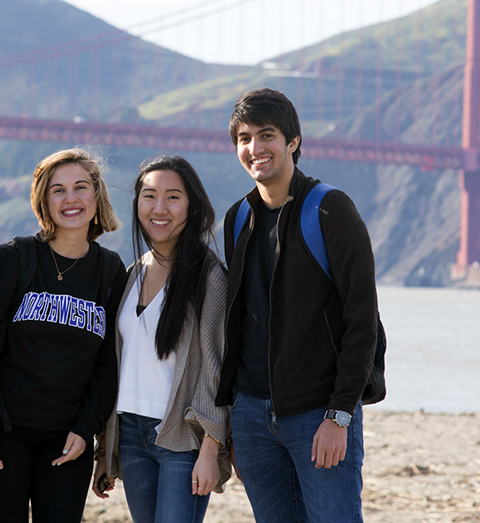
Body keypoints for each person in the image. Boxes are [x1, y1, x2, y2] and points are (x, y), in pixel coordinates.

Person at [215, 88, 378, 522]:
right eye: (244, 138)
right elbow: (239, 321)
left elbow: (363, 322)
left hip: (317, 412)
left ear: (293, 142)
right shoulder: (236, 219)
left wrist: (340, 413)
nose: (255, 148)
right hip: (250, 417)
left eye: (267, 135)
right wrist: (233, 415)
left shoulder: (330, 210)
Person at [0, 148, 127, 523]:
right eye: (58, 190)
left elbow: (108, 363)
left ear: (96, 195)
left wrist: (87, 429)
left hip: (68, 441)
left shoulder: (110, 270)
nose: (71, 199)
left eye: (80, 187)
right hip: (3, 434)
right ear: (43, 201)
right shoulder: (14, 258)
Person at [92, 154, 231, 523]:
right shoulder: (133, 272)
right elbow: (121, 364)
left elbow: (216, 369)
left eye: (173, 197)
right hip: (131, 434)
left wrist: (209, 449)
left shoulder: (209, 276)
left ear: (192, 206)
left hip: (183, 439)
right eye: (149, 195)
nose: (159, 208)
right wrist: (106, 447)